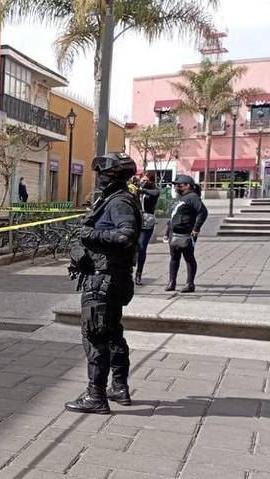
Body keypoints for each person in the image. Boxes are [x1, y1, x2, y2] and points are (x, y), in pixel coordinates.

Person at [66, 152, 141, 415]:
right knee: (112, 334)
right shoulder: (113, 199)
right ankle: (119, 387)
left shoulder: (119, 202)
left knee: (95, 336)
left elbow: (126, 235)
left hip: (104, 280)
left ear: (112, 176)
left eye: (102, 173)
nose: (98, 178)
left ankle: (95, 396)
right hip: (110, 278)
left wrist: (91, 234)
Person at [164, 175, 208, 293]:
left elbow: (202, 212)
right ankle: (172, 282)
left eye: (179, 185)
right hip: (175, 233)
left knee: (188, 258)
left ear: (187, 185)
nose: (176, 187)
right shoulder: (180, 197)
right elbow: (174, 216)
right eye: (175, 185)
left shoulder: (192, 197)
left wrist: (196, 228)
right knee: (174, 258)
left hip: (186, 233)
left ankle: (190, 284)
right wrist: (167, 231)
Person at [135, 172, 160, 285]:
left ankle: (138, 274)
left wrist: (143, 190)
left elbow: (156, 193)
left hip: (147, 219)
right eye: (142, 180)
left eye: (146, 181)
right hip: (135, 219)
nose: (143, 182)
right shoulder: (136, 189)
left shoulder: (153, 191)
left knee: (142, 247)